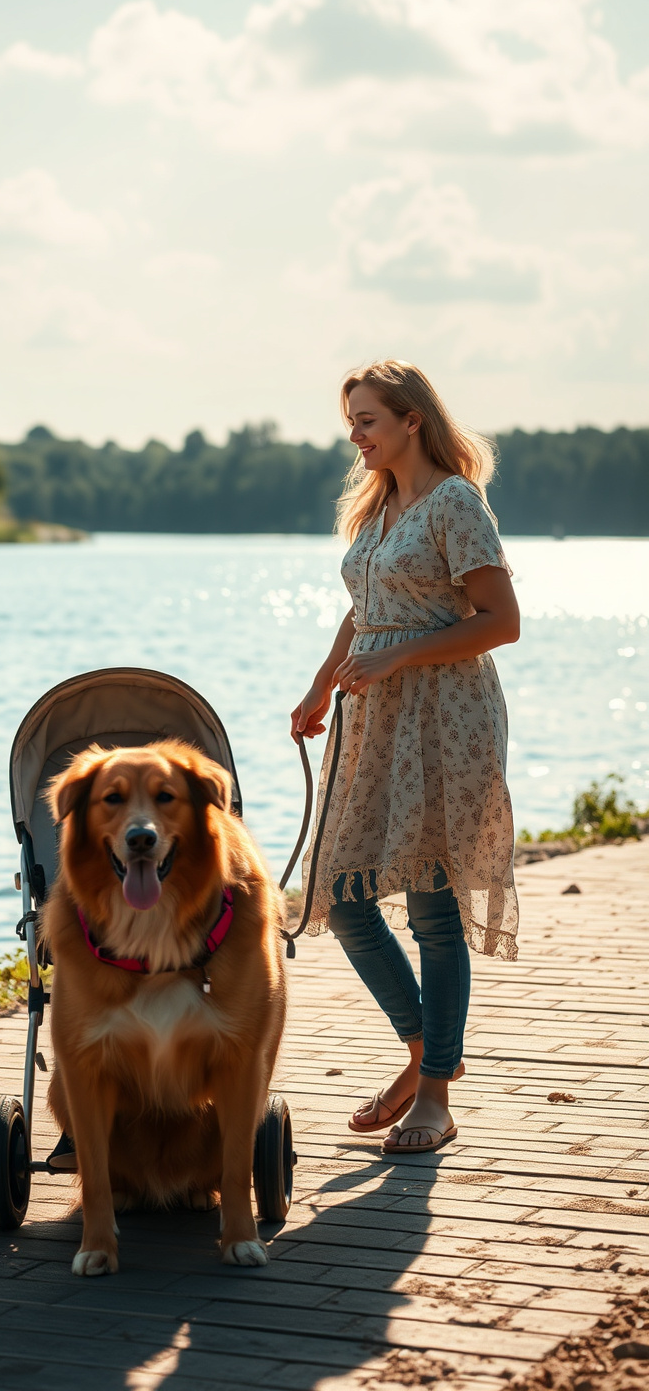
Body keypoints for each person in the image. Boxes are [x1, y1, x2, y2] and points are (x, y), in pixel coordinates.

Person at [291, 361, 520, 1154]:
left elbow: (501, 621)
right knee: (344, 895)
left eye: (367, 421)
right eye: (351, 421)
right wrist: (321, 687)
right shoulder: (380, 504)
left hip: (443, 716)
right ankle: (427, 1050)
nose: (355, 436)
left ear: (412, 419)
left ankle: (435, 1095)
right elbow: (364, 612)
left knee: (431, 906)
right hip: (373, 716)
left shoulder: (456, 502)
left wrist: (396, 660)